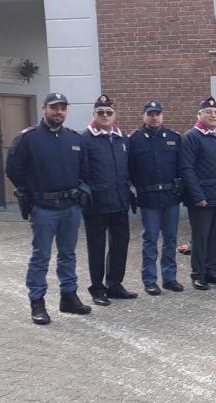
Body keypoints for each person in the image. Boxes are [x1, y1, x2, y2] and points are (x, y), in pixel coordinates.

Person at [5, 92, 92, 324]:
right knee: (41, 257)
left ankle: (69, 297)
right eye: (54, 108)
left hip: (70, 207)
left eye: (63, 108)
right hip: (43, 208)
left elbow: (84, 170)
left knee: (68, 255)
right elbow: (13, 168)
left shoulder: (74, 139)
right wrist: (29, 191)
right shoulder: (28, 139)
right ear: (44, 109)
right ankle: (37, 302)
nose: (58, 112)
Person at [81, 95, 137, 305]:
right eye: (100, 112)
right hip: (96, 205)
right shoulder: (85, 139)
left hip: (120, 202)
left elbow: (128, 168)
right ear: (94, 114)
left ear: (115, 115)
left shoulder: (123, 138)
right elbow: (82, 172)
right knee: (96, 247)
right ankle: (97, 288)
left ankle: (114, 284)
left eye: (109, 112)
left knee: (120, 245)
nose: (105, 116)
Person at [179, 96, 216, 290]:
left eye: (215, 112)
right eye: (208, 112)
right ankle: (198, 274)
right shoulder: (191, 137)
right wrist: (197, 196)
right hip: (202, 198)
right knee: (201, 237)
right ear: (199, 114)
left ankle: (211, 270)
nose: (213, 115)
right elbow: (187, 169)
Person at [128, 100, 184, 295]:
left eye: (157, 113)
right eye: (150, 114)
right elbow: (129, 170)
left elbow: (181, 167)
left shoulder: (174, 138)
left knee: (170, 239)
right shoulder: (134, 140)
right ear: (144, 116)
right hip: (148, 196)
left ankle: (169, 278)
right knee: (150, 239)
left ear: (162, 115)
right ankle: (150, 280)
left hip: (170, 196)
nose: (154, 117)